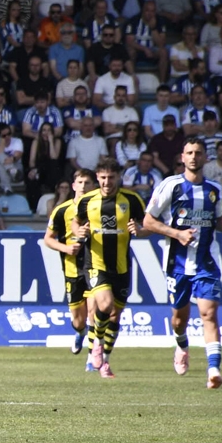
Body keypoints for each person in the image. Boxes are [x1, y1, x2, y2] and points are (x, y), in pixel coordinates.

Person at [142, 138, 222, 389]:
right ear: (182, 158)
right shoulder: (170, 186)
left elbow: (216, 221)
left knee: (209, 313)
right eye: (189, 153)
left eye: (198, 153)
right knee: (178, 320)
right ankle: (182, 344)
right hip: (177, 264)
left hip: (207, 262)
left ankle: (213, 370)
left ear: (206, 157)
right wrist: (177, 234)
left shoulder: (215, 189)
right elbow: (148, 222)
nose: (194, 157)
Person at [72, 157, 147, 379]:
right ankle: (96, 343)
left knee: (115, 316)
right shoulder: (87, 201)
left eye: (111, 178)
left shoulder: (132, 200)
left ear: (118, 177)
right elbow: (76, 222)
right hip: (95, 263)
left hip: (122, 266)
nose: (107, 182)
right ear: (97, 177)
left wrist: (140, 229)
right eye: (103, 178)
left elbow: (149, 224)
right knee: (104, 304)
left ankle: (104, 360)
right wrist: (78, 232)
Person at [43, 168, 96, 355]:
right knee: (78, 320)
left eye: (87, 182)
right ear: (73, 186)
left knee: (94, 314)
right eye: (80, 182)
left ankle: (93, 357)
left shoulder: (99, 208)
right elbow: (48, 238)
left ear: (93, 186)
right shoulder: (62, 210)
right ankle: (80, 333)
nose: (83, 186)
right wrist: (65, 248)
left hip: (96, 267)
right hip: (72, 269)